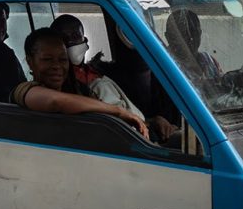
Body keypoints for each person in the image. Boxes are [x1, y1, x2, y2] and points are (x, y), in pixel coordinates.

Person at [50, 14, 177, 144]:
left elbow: (127, 113)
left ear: (85, 41)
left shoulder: (99, 72)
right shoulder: (63, 84)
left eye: (76, 37)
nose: (70, 43)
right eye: (64, 39)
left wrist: (153, 121)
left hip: (142, 133)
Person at [11, 27, 149, 138]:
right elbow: (56, 102)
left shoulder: (79, 90)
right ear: (30, 62)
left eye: (63, 60)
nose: (56, 66)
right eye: (47, 60)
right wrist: (119, 111)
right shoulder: (25, 90)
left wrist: (149, 123)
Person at [165, 8, 243, 102]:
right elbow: (208, 89)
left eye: (194, 32)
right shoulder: (164, 65)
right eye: (183, 34)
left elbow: (223, 81)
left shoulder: (207, 60)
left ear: (200, 33)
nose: (191, 39)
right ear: (168, 37)